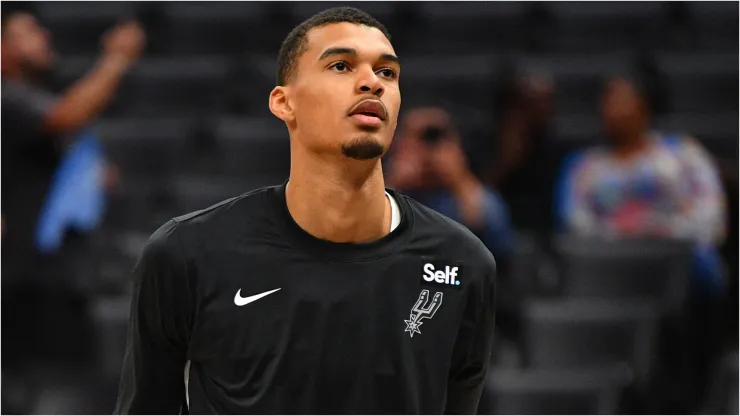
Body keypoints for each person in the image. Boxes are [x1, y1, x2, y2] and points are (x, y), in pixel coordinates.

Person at [114, 7, 497, 415]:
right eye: (341, 65)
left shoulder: (462, 264)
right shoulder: (187, 254)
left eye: (388, 73)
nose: (372, 82)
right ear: (284, 103)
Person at [1, 7, 145, 413]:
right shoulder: (6, 97)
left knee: (74, 384)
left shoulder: (35, 95)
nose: (43, 38)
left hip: (59, 274)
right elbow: (66, 116)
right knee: (43, 392)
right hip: (26, 277)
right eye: (27, 32)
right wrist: (116, 58)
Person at [386, 106, 511, 259]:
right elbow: (369, 237)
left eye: (435, 137)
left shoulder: (467, 194)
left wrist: (459, 178)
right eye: (419, 138)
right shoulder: (387, 190)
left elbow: (497, 243)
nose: (427, 148)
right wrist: (394, 184)